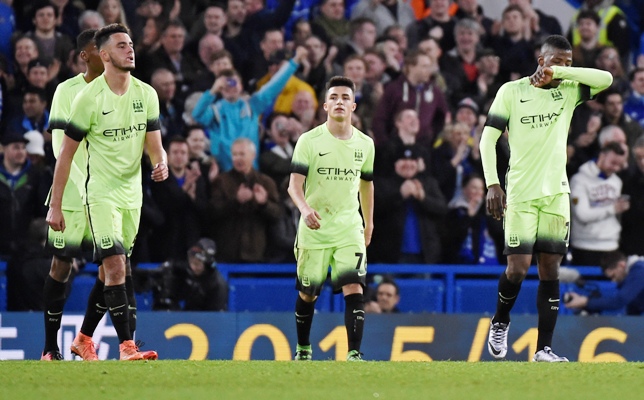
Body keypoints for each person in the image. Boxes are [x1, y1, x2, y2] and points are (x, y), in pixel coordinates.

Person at [480, 35, 612, 362]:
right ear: (541, 60)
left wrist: (563, 74)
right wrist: (492, 184)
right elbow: (487, 140)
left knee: (550, 270)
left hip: (556, 194)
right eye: (558, 62)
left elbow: (606, 79)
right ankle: (500, 321)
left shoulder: (568, 92)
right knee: (517, 268)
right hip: (521, 194)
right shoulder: (512, 92)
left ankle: (543, 349)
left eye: (569, 63)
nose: (564, 68)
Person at [46, 23, 168, 361]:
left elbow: (155, 145)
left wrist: (162, 163)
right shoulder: (87, 98)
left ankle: (84, 338)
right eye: (121, 46)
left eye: (130, 44)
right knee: (115, 266)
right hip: (99, 193)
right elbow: (65, 155)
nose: (130, 49)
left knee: (112, 270)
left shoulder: (147, 94)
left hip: (133, 194)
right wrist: (56, 206)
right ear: (104, 55)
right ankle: (127, 347)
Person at [288, 76, 374, 361]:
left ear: (353, 106)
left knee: (354, 286)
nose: (340, 102)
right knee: (308, 294)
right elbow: (294, 186)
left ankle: (354, 354)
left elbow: (366, 184)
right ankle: (303, 348)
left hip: (349, 226)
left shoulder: (365, 144)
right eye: (334, 97)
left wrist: (369, 222)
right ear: (325, 105)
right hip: (315, 228)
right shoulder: (309, 141)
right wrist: (305, 209)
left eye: (345, 97)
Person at [41, 29, 106, 361]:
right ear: (85, 54)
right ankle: (50, 347)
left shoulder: (121, 91)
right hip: (71, 189)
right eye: (101, 48)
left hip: (106, 194)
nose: (107, 54)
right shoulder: (66, 91)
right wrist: (82, 182)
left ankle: (85, 337)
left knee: (114, 265)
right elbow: (58, 145)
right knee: (61, 266)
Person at [570, 142, 629, 266]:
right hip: (585, 246)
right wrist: (613, 209)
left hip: (611, 245)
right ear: (602, 156)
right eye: (613, 163)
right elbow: (582, 215)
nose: (616, 168)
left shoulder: (617, 181)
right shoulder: (579, 180)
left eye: (620, 165)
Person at [152, 238, 228, 311]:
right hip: (188, 317)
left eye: (197, 264)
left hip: (207, 318)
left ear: (207, 265)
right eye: (191, 262)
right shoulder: (184, 272)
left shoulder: (217, 285)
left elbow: (216, 316)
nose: (193, 267)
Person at [564, 251, 644, 316]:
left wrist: (585, 301)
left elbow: (620, 301)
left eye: (613, 275)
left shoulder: (640, 271)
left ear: (621, 265)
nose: (613, 281)